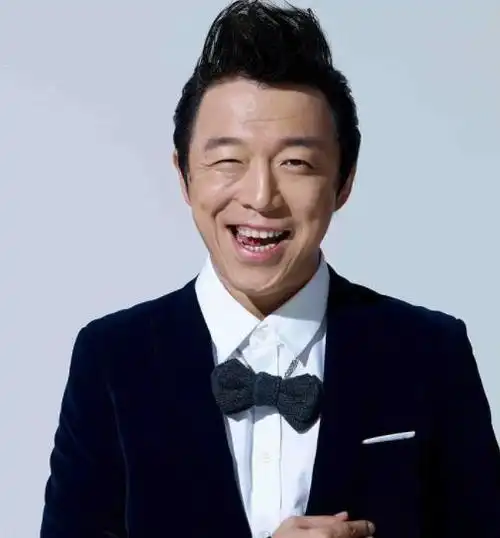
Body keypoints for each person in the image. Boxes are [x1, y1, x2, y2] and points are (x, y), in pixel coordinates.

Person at [40, 1, 500, 537]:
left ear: (344, 181)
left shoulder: (430, 353)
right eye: (228, 160)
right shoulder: (112, 359)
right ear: (184, 175)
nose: (261, 197)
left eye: (295, 163)